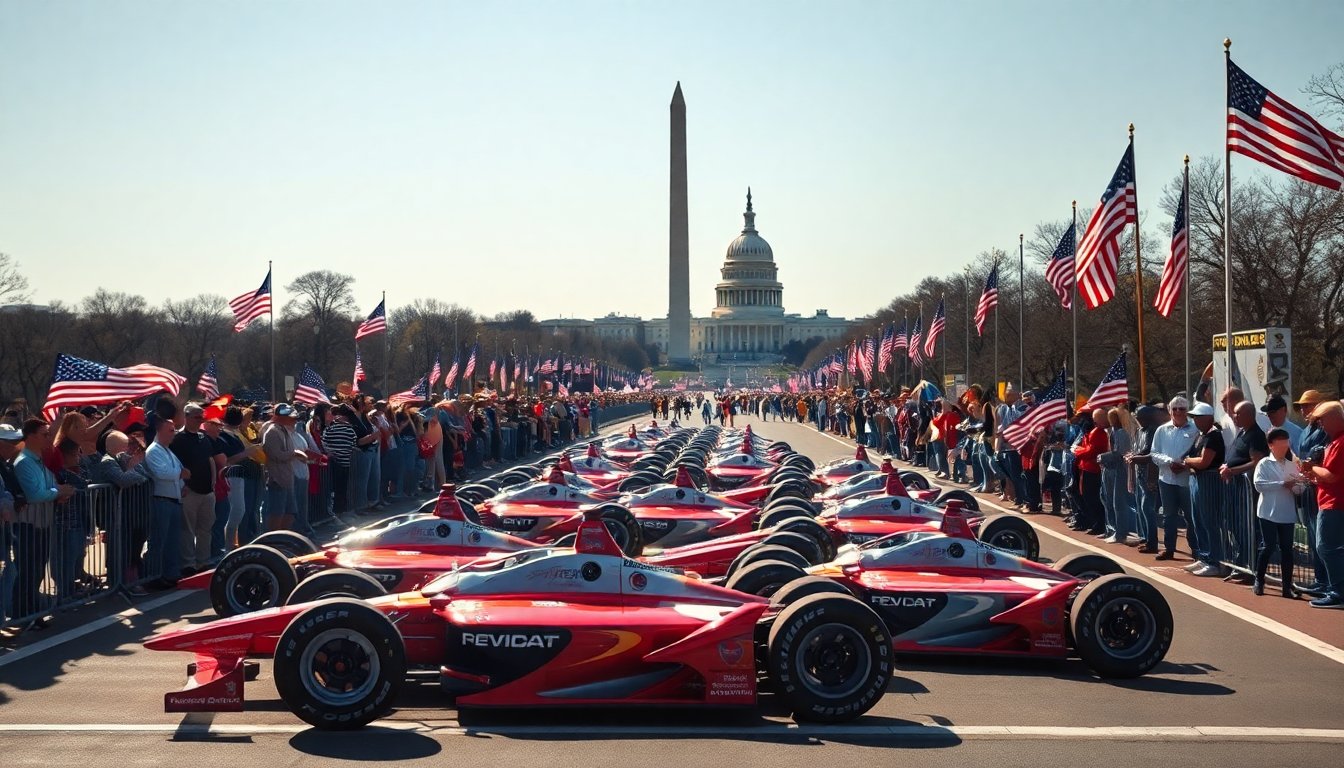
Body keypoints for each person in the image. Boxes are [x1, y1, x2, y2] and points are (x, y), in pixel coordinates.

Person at [1298, 400, 1344, 609]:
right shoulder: (1334, 442)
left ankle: (1337, 592)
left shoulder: (1340, 442)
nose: (1321, 425)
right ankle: (1334, 589)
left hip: (1334, 504)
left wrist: (1312, 468)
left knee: (1326, 547)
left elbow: (1332, 475)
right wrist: (1316, 474)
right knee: (1329, 547)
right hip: (1330, 501)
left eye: (1323, 420)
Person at [1252, 428, 1305, 598]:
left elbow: (1300, 487)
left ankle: (1287, 587)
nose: (1284, 445)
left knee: (1287, 550)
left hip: (1286, 513)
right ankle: (1259, 580)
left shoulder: (1292, 465)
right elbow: (1259, 485)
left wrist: (1297, 486)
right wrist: (1282, 483)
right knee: (1268, 546)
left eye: (1286, 441)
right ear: (1271, 445)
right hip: (1268, 512)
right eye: (1279, 442)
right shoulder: (1264, 463)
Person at [171, 403, 223, 576]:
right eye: (197, 417)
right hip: (190, 490)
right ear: (186, 417)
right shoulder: (178, 439)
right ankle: (188, 563)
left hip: (207, 490)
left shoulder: (204, 438)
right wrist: (182, 485)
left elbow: (210, 459)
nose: (200, 420)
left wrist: (213, 482)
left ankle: (203, 561)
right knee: (188, 529)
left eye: (202, 417)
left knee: (205, 528)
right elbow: (176, 464)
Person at [1149, 397, 1201, 561]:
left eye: (1182, 409)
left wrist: (1184, 464)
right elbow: (1154, 453)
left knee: (1191, 516)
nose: (1178, 412)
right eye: (1175, 409)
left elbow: (1199, 452)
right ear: (1170, 411)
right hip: (1166, 479)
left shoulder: (1195, 429)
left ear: (1187, 411)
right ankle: (1169, 548)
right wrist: (1169, 462)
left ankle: (1196, 549)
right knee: (1169, 516)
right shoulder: (1162, 430)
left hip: (1188, 480)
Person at [1221, 400, 1268, 576]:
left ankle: (1250, 567)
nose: (1234, 416)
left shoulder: (1256, 435)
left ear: (1249, 414)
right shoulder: (1242, 433)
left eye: (1238, 413)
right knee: (1235, 526)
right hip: (1236, 490)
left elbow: (1256, 461)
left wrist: (1232, 470)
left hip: (1247, 492)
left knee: (1247, 527)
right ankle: (1241, 563)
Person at [1180, 402, 1226, 577]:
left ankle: (1214, 561)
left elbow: (1203, 462)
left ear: (1208, 418)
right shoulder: (1201, 435)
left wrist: (1190, 462)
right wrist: (1192, 461)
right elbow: (1191, 458)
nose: (1195, 420)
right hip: (1197, 480)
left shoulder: (1213, 436)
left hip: (1209, 483)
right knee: (1197, 519)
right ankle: (1204, 556)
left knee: (1209, 522)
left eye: (1198, 417)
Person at [1294, 390, 1332, 594]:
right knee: (1311, 533)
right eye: (1302, 406)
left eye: (1307, 405)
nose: (1303, 409)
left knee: (1321, 537)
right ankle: (1320, 578)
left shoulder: (1323, 429)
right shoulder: (1305, 428)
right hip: (1308, 485)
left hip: (1318, 485)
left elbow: (1320, 452)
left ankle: (1327, 581)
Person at [143, 416, 186, 590]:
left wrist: (183, 483)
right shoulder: (153, 451)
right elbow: (163, 473)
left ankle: (170, 574)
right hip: (161, 500)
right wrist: (181, 475)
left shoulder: (168, 451)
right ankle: (153, 576)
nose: (174, 433)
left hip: (174, 500)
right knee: (158, 541)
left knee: (172, 541)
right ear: (159, 430)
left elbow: (178, 471)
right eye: (170, 430)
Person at [1127, 405, 1165, 553]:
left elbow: (1149, 451)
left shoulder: (1153, 430)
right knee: (1141, 506)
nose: (1138, 420)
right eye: (1137, 417)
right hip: (1139, 472)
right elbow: (1137, 449)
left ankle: (1152, 542)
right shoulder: (1139, 431)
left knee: (1147, 507)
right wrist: (1132, 455)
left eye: (1141, 417)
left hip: (1150, 473)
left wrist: (1135, 457)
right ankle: (1145, 536)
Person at [261, 403, 304, 531]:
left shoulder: (284, 430)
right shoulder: (272, 432)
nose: (294, 420)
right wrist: (294, 454)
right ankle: (274, 539)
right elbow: (276, 455)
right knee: (277, 513)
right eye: (290, 417)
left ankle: (282, 537)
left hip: (287, 478)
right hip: (277, 479)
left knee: (290, 512)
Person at [1071, 408, 1108, 536]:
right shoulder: (1092, 432)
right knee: (1086, 497)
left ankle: (1098, 524)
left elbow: (1091, 451)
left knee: (1092, 498)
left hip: (1092, 468)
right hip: (1085, 467)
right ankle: (1093, 523)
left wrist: (1077, 451)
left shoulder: (1098, 432)